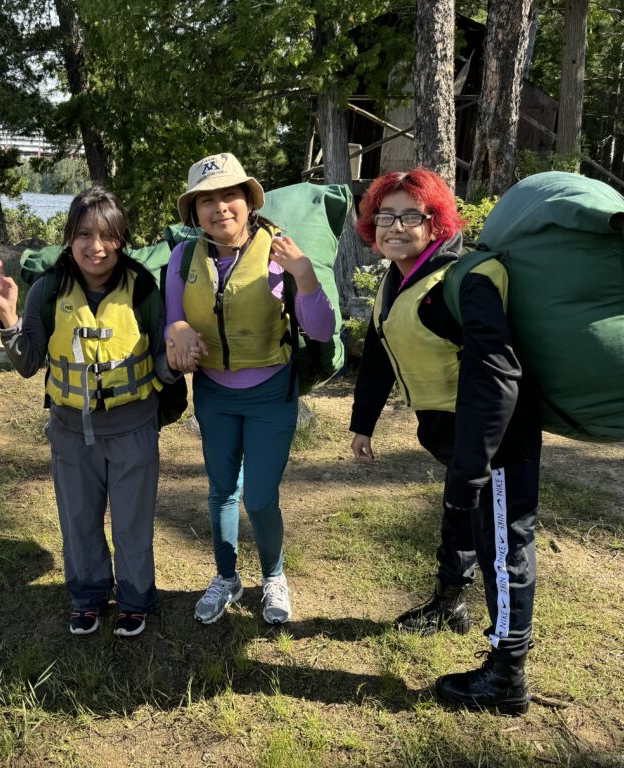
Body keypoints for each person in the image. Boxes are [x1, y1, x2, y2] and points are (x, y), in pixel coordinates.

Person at [348, 167, 542, 715]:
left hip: (496, 438)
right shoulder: (400, 279)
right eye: (385, 215)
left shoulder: (464, 279)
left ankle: (507, 673)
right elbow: (383, 351)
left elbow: (497, 373)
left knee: (504, 548)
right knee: (461, 516)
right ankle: (448, 603)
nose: (394, 226)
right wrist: (363, 422)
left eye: (412, 214)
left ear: (436, 223)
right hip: (456, 436)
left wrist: (476, 463)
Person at [0, 187, 177, 639]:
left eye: (107, 235)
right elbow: (29, 361)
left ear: (121, 238)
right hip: (70, 432)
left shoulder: (144, 290)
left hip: (133, 428)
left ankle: (135, 600)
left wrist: (174, 364)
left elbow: (159, 361)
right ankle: (88, 597)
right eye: (84, 234)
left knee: (133, 524)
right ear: (69, 238)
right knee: (78, 523)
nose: (95, 246)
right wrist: (9, 317)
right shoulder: (48, 290)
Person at [166, 152, 336, 625]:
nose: (220, 207)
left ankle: (274, 575)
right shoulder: (183, 258)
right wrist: (175, 330)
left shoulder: (279, 253)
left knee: (259, 496)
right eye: (207, 200)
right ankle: (226, 577)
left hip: (270, 394)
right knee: (221, 490)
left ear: (249, 201)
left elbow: (320, 330)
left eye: (230, 196)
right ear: (194, 212)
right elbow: (171, 318)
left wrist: (303, 275)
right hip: (214, 394)